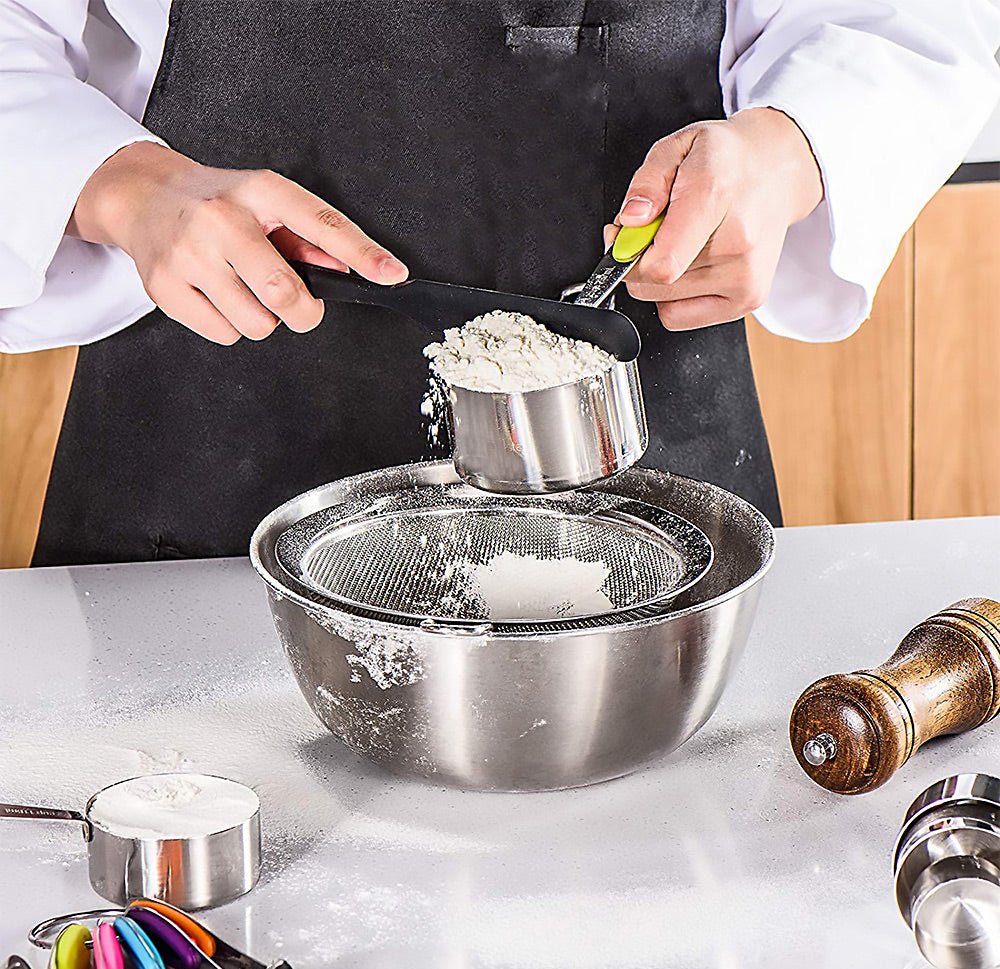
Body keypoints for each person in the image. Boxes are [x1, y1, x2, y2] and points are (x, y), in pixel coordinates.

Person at [1, 1, 998, 565]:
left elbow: (908, 22)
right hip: (200, 488)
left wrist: (788, 148)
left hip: (640, 498)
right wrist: (121, 187)